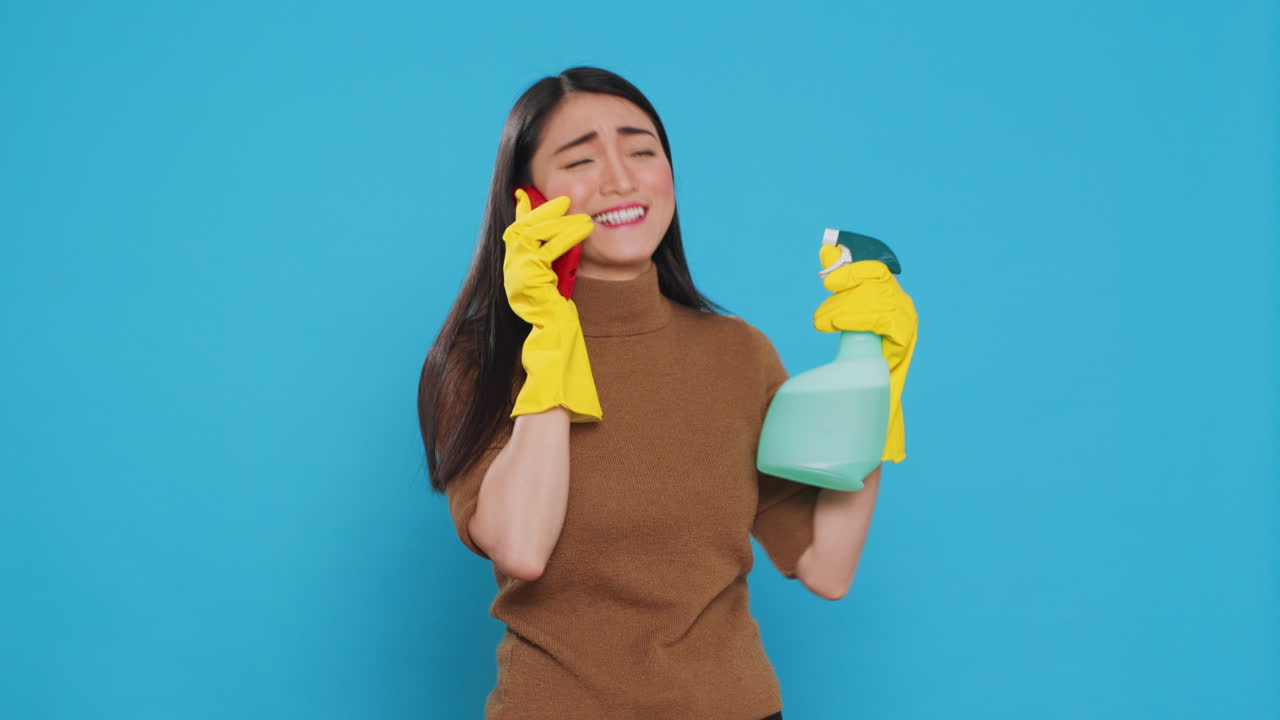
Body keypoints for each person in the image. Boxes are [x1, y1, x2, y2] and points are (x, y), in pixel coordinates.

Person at [418, 66, 917, 720]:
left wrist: (874, 385)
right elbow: (522, 546)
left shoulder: (738, 353)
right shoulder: (477, 363)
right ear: (527, 199)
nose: (621, 179)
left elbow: (828, 567)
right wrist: (549, 342)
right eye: (581, 160)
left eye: (641, 150)